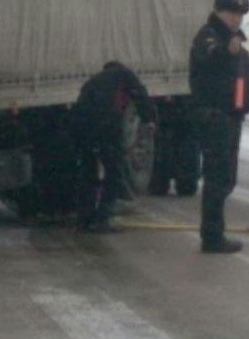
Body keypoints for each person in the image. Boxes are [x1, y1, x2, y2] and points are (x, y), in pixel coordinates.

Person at [189, 0, 249, 254]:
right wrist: (227, 52)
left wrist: (247, 104)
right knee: (217, 177)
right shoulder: (208, 38)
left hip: (232, 118)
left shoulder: (238, 47)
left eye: (240, 14)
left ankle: (214, 232)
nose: (236, 19)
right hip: (214, 117)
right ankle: (212, 236)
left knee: (226, 178)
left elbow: (247, 81)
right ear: (219, 12)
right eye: (232, 13)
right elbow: (212, 58)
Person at [71, 61, 155, 233]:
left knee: (88, 174)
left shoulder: (93, 81)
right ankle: (102, 218)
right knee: (114, 174)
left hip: (83, 130)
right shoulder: (124, 75)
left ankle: (84, 219)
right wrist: (149, 119)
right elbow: (140, 95)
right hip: (106, 129)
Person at [148, 94, 200, 197]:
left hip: (166, 103)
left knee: (163, 140)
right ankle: (185, 181)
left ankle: (159, 181)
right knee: (186, 138)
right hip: (186, 102)